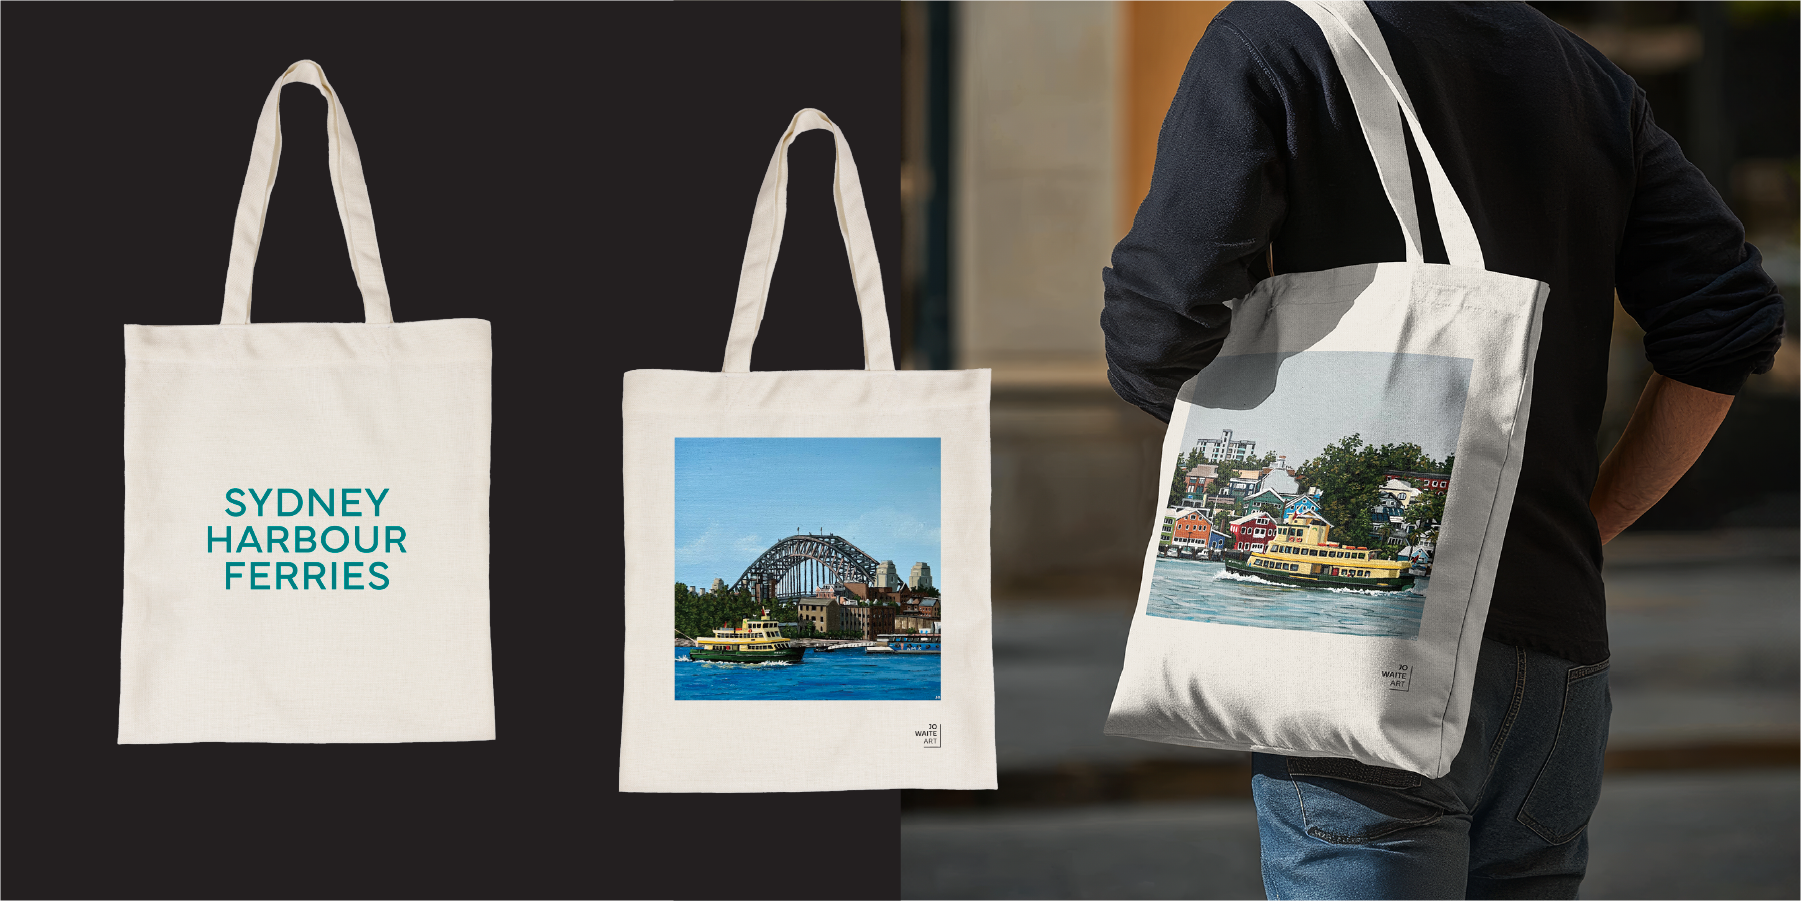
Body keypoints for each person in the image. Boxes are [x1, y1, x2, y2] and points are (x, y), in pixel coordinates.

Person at [1100, 1, 1785, 898]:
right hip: (1555, 657)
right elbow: (1728, 326)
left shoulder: (1273, 41)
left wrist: (1266, 432)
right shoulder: (1587, 79)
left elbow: (1156, 330)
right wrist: (1589, 524)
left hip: (1360, 651)